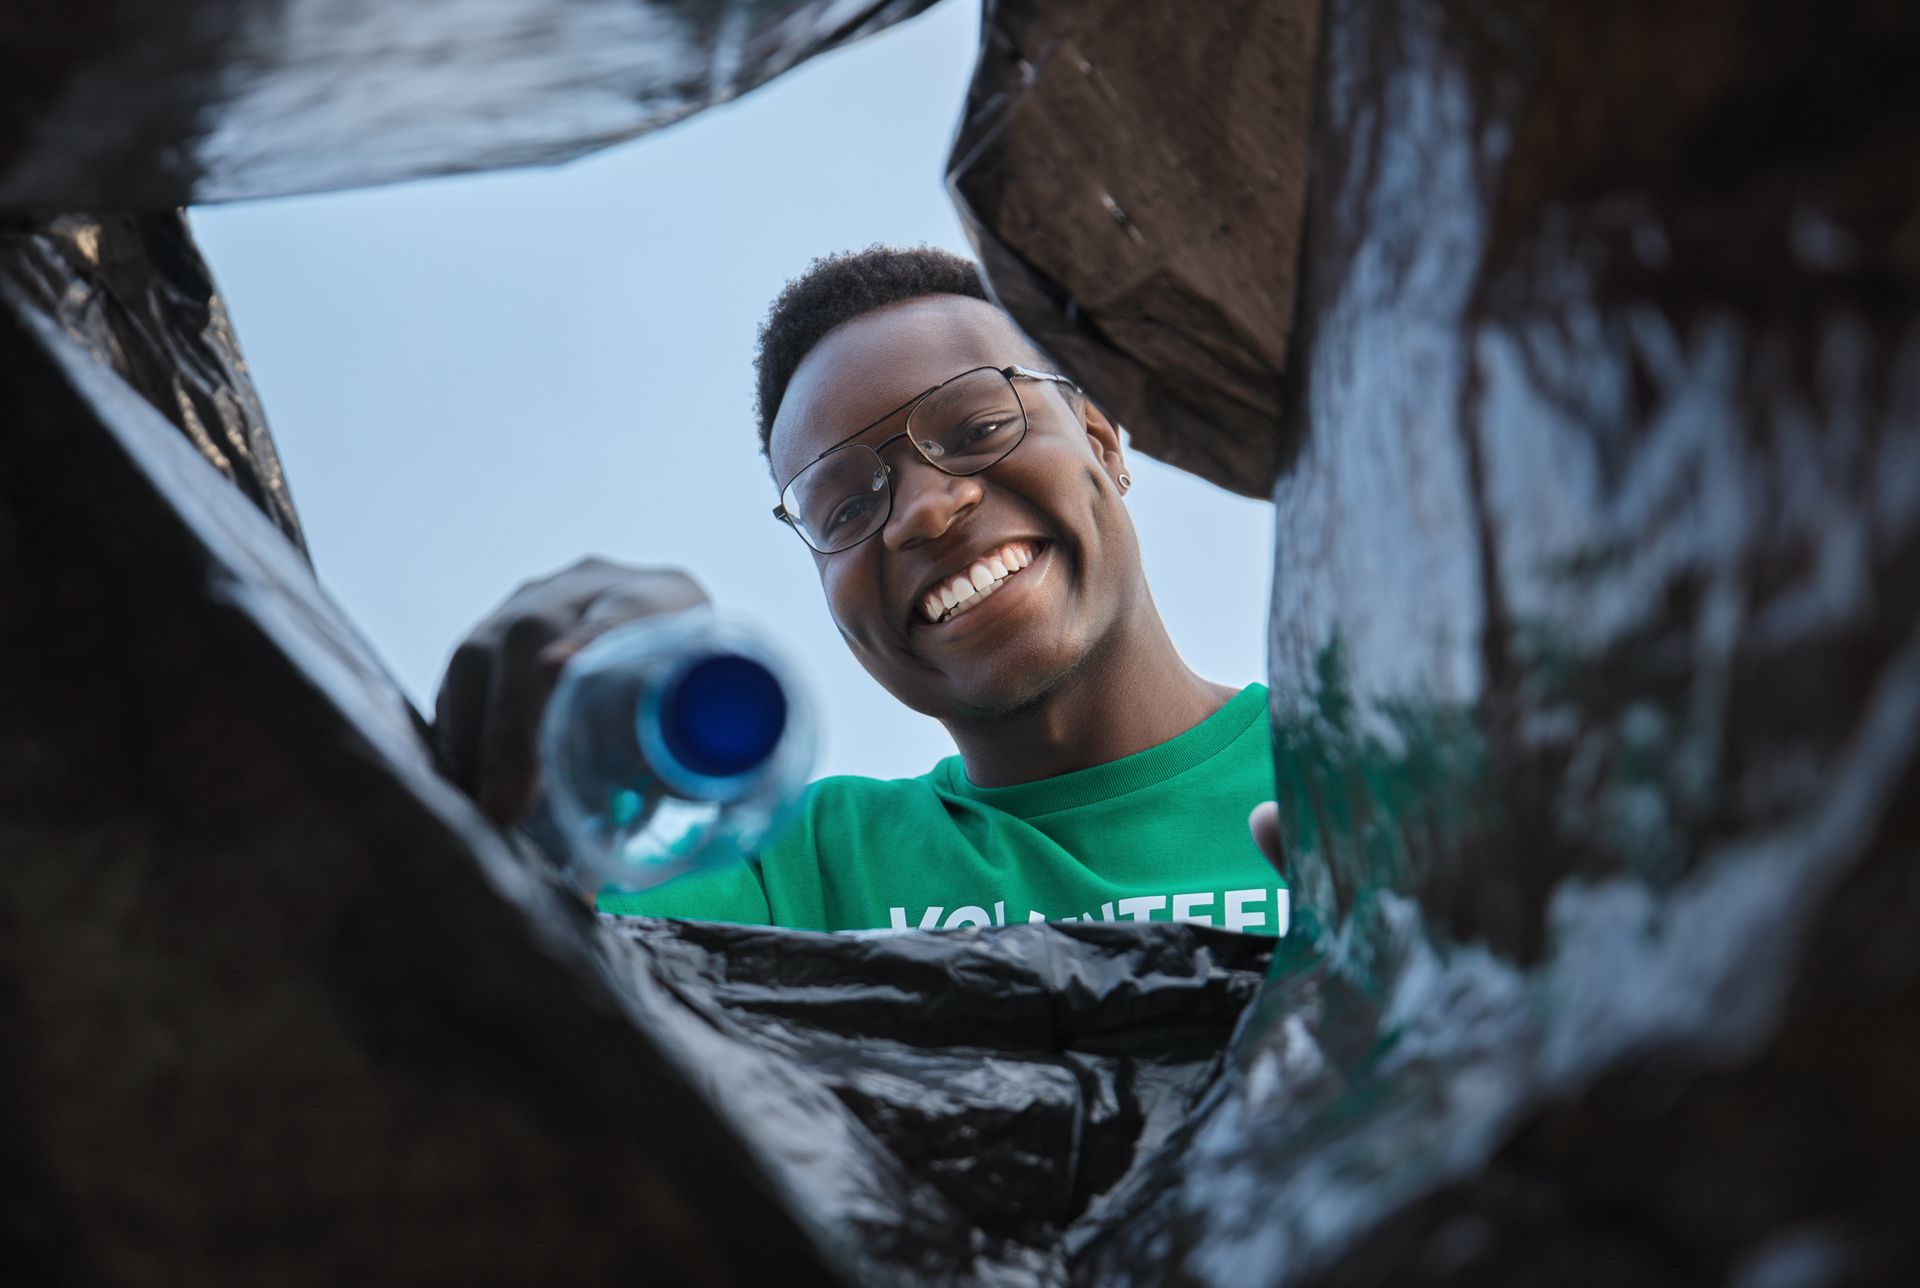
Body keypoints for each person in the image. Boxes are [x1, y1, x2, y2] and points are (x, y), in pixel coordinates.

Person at [434, 246, 1288, 935]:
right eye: (844, 505)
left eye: (981, 426)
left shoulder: (1361, 782)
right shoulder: (791, 874)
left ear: (1101, 441)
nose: (923, 510)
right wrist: (550, 794)